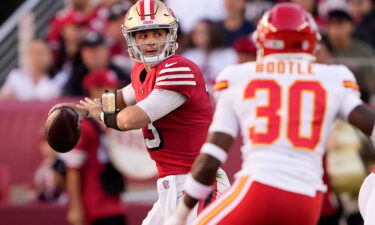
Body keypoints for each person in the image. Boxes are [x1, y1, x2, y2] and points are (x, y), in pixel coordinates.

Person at [164, 3, 375, 225]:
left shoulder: (240, 77)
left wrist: (180, 214)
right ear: (311, 42)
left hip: (261, 187)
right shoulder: (332, 77)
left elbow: (211, 157)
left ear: (262, 41)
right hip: (308, 201)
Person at [49, 1, 229, 225]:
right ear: (132, 39)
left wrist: (99, 114)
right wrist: (84, 109)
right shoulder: (142, 71)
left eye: (157, 33)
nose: (151, 41)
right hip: (172, 188)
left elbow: (130, 119)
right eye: (143, 35)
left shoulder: (178, 68)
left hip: (199, 184)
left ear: (170, 34)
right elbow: (119, 98)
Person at [61, 69, 127, 225]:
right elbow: (73, 169)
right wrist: (76, 206)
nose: (114, 94)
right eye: (108, 89)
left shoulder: (109, 123)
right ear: (95, 90)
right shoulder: (84, 127)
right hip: (95, 206)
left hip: (115, 203)